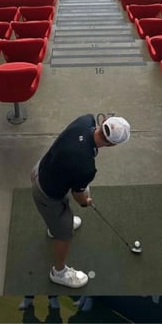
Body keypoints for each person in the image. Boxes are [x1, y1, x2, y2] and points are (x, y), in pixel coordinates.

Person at [30, 113, 130, 288]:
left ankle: (55, 227)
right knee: (64, 233)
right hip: (46, 192)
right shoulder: (86, 167)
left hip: (42, 168)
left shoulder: (86, 120)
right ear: (113, 144)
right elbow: (78, 196)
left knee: (59, 215)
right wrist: (86, 201)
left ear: (104, 121)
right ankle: (59, 273)